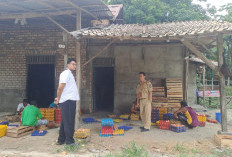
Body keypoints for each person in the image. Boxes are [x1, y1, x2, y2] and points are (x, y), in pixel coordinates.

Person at [55, 58, 80, 145]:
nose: (75, 66)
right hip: (68, 101)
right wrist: (58, 98)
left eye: (75, 64)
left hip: (69, 100)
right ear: (68, 65)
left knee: (64, 121)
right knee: (69, 121)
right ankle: (70, 141)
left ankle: (61, 140)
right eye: (73, 64)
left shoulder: (69, 74)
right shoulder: (65, 73)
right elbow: (60, 87)